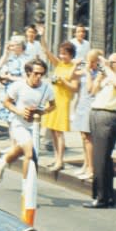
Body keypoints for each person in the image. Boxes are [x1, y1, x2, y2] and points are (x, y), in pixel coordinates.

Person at [85, 53, 116, 208]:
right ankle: (107, 195)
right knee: (103, 158)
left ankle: (101, 197)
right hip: (99, 114)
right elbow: (92, 91)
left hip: (108, 116)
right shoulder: (111, 75)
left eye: (112, 62)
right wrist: (99, 75)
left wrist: (106, 67)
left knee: (100, 158)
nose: (109, 64)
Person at [0, 58, 54, 184]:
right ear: (28, 72)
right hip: (19, 124)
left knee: (19, 150)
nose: (39, 77)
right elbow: (6, 102)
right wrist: (19, 111)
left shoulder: (46, 89)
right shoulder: (19, 86)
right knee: (30, 153)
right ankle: (27, 188)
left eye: (42, 74)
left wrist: (42, 112)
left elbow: (53, 105)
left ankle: (3, 161)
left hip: (35, 126)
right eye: (36, 73)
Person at [42, 41, 81, 172]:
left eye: (65, 54)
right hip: (53, 99)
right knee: (52, 130)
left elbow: (75, 88)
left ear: (71, 55)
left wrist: (63, 81)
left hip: (63, 101)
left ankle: (60, 160)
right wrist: (42, 36)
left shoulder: (74, 68)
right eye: (61, 53)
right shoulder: (59, 64)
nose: (62, 56)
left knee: (59, 132)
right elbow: (47, 52)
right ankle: (56, 157)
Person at [71, 49, 101, 181]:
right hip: (82, 105)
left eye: (93, 61)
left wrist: (88, 73)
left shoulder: (99, 73)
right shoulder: (87, 70)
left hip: (91, 105)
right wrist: (75, 66)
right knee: (83, 136)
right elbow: (71, 77)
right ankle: (86, 164)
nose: (90, 64)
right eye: (89, 61)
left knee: (89, 138)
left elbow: (90, 89)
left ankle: (91, 168)